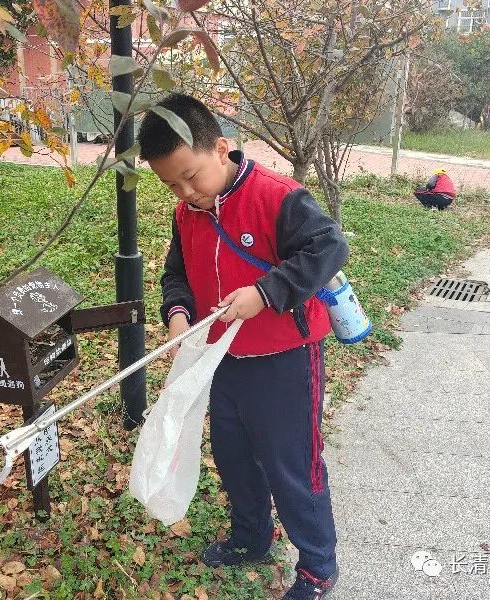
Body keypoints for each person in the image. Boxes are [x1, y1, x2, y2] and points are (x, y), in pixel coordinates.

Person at [137, 93, 347, 600]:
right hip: (222, 360)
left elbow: (329, 247)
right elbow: (177, 274)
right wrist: (179, 313)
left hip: (285, 361)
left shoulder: (278, 196)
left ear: (222, 148)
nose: (186, 192)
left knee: (293, 464)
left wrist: (265, 292)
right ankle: (252, 537)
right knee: (235, 457)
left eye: (191, 175)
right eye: (172, 184)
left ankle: (318, 566)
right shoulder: (185, 214)